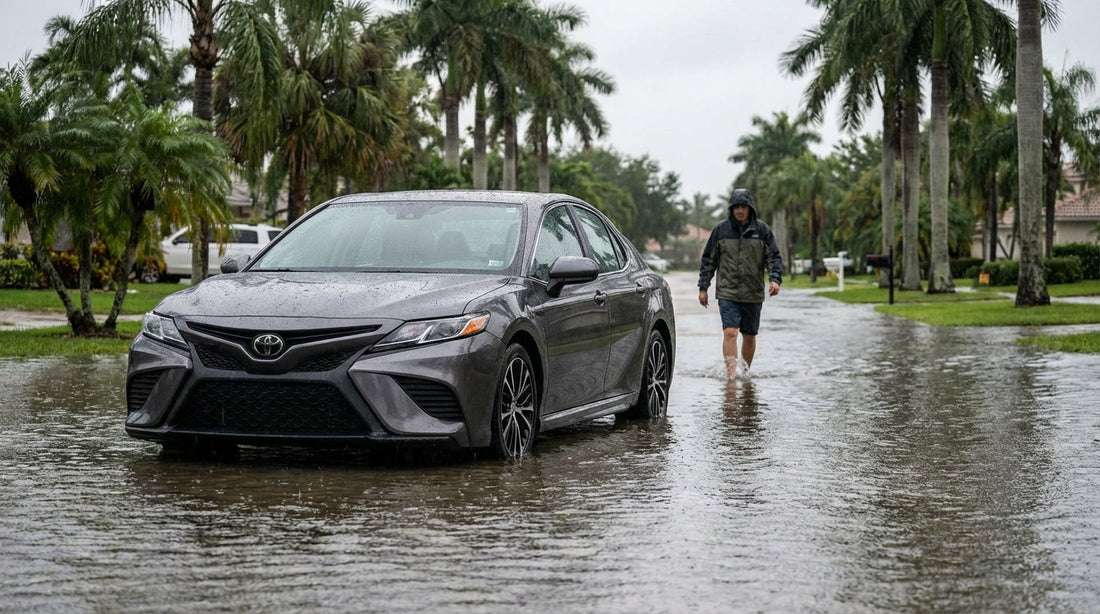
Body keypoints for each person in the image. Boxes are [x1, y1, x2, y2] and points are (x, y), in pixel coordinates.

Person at [697, 188, 783, 378]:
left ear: (750, 208)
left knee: (749, 335)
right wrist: (703, 287)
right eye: (736, 207)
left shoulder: (762, 230)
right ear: (731, 209)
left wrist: (775, 279)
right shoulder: (721, 230)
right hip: (727, 292)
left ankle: (744, 372)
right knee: (730, 332)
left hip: (753, 292)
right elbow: (709, 260)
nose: (740, 210)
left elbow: (774, 257)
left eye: (744, 207)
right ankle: (731, 376)